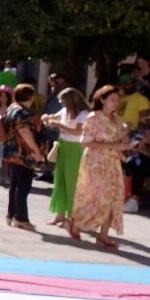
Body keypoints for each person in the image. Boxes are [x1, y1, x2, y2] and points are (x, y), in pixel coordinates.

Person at [74, 85, 131, 249]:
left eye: (117, 100)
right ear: (102, 100)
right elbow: (85, 142)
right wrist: (114, 145)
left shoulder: (115, 118)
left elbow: (118, 141)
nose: (115, 103)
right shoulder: (94, 118)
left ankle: (103, 235)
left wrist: (125, 141)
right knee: (97, 197)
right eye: (112, 99)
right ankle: (76, 224)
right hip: (96, 163)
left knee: (113, 197)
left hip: (112, 162)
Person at [44, 87, 89, 227]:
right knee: (60, 180)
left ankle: (72, 216)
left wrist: (59, 125)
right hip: (64, 146)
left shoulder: (84, 114)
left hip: (76, 149)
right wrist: (46, 118)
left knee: (72, 182)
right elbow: (52, 117)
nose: (62, 104)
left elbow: (78, 131)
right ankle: (60, 214)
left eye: (63, 101)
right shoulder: (65, 111)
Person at [4, 83, 45, 231]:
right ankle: (21, 218)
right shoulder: (23, 112)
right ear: (30, 96)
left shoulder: (12, 108)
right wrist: (37, 152)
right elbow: (25, 132)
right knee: (24, 186)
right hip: (24, 152)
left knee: (15, 183)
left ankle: (11, 214)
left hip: (13, 151)